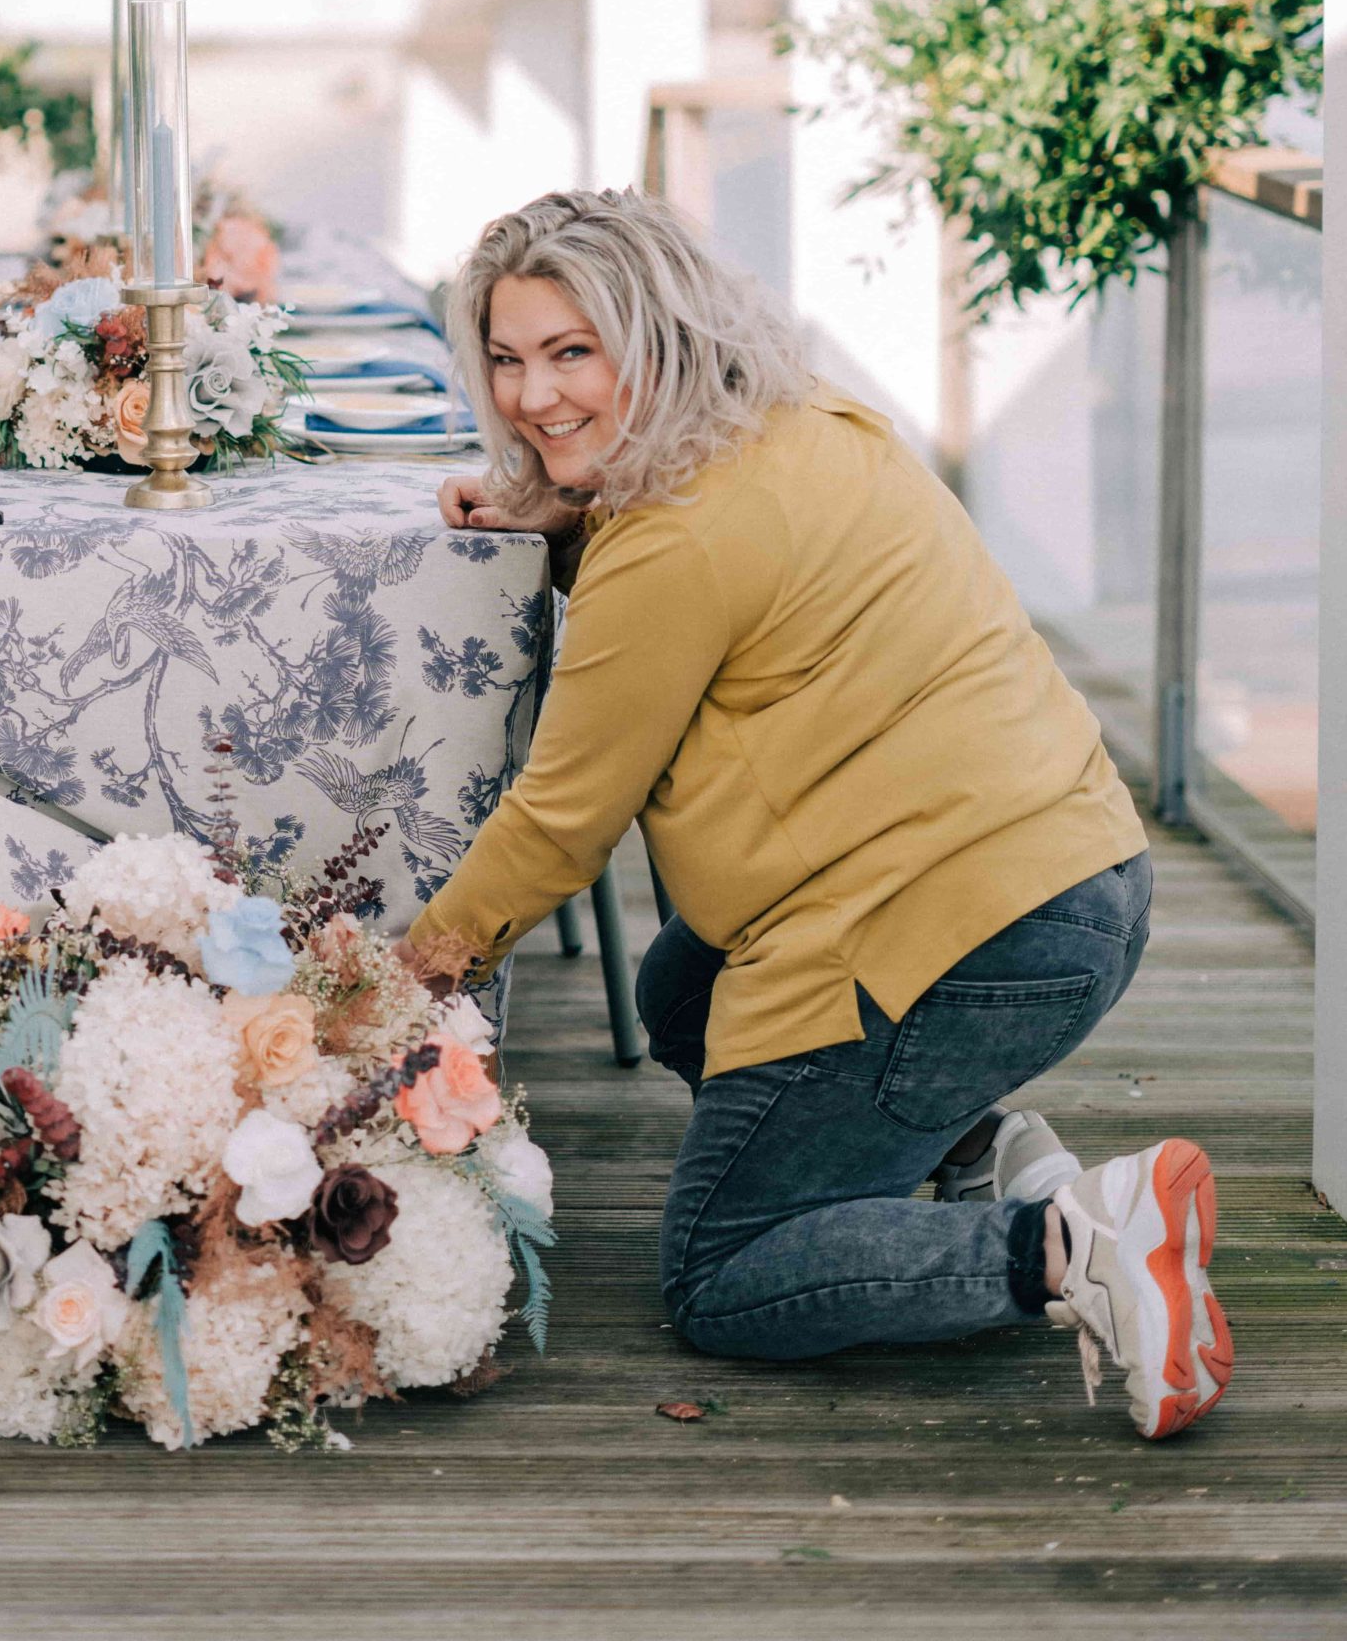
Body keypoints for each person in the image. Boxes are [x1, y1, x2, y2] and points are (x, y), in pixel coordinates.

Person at [401, 189, 1230, 1440]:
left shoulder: (669, 542)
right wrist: (569, 527)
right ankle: (968, 1150)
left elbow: (560, 823)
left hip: (962, 933)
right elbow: (738, 587)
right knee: (684, 991)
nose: (529, 396)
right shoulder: (795, 420)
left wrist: (412, 968)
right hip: (1070, 876)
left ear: (660, 336)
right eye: (507, 359)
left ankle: (1074, 1246)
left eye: (573, 351)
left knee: (721, 1276)